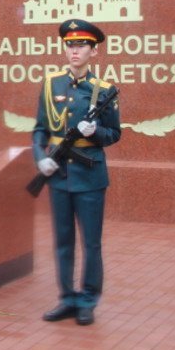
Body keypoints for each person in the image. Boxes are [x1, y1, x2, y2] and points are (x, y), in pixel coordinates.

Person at [32, 19, 121, 326]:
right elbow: (40, 130)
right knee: (63, 240)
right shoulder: (50, 83)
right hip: (58, 175)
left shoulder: (104, 90)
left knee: (91, 243)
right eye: (70, 45)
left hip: (90, 177)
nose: (74, 51)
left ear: (93, 52)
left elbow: (114, 134)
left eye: (81, 45)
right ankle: (67, 297)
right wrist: (39, 158)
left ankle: (87, 300)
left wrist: (96, 131)